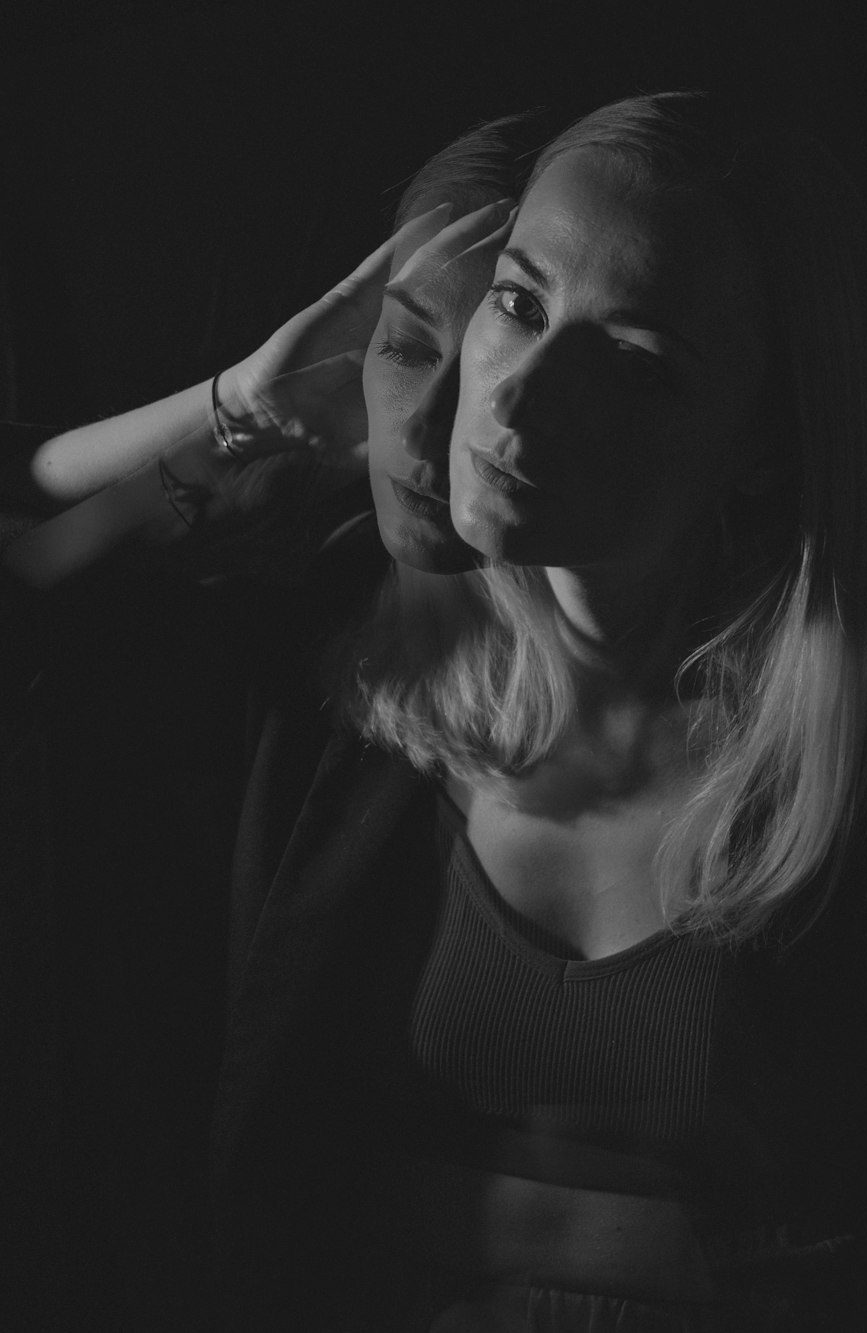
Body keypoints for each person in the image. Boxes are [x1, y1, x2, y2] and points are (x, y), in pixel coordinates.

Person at [213, 92, 867, 1332]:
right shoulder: (355, 683)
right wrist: (234, 406)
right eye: (517, 306)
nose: (518, 398)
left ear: (765, 439)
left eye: (634, 362)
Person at [0, 116, 544, 1330]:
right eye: (404, 348)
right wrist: (239, 407)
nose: (432, 421)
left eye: (496, 363)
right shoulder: (275, 649)